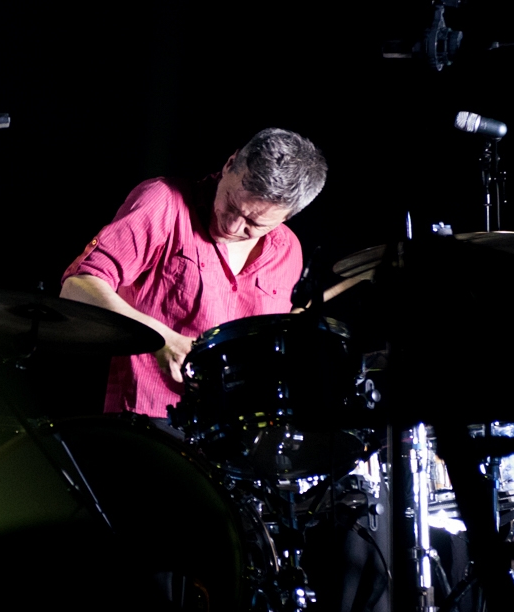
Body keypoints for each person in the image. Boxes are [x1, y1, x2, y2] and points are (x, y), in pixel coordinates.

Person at [59, 128, 326, 421]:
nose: (232, 226)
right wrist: (162, 338)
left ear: (287, 216)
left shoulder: (288, 250)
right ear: (230, 164)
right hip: (148, 419)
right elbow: (76, 288)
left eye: (254, 223)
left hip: (236, 429)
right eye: (231, 204)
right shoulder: (162, 201)